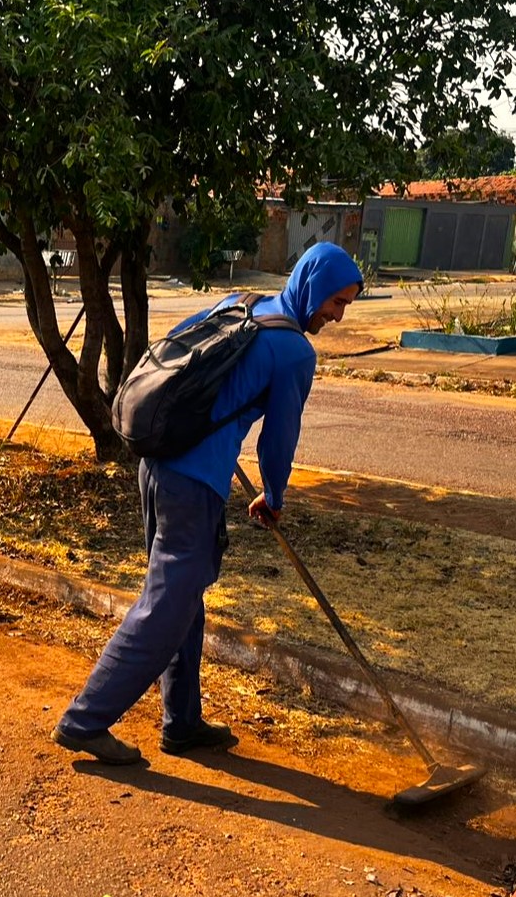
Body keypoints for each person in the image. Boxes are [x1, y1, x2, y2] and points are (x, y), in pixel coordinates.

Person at [52, 242, 364, 764]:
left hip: (157, 464)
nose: (336, 315)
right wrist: (275, 494)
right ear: (312, 285)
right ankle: (86, 720)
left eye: (345, 306)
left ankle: (182, 722)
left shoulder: (243, 304)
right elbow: (279, 440)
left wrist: (209, 419)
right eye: (335, 301)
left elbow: (178, 355)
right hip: (192, 484)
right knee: (167, 605)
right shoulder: (294, 351)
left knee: (183, 597)